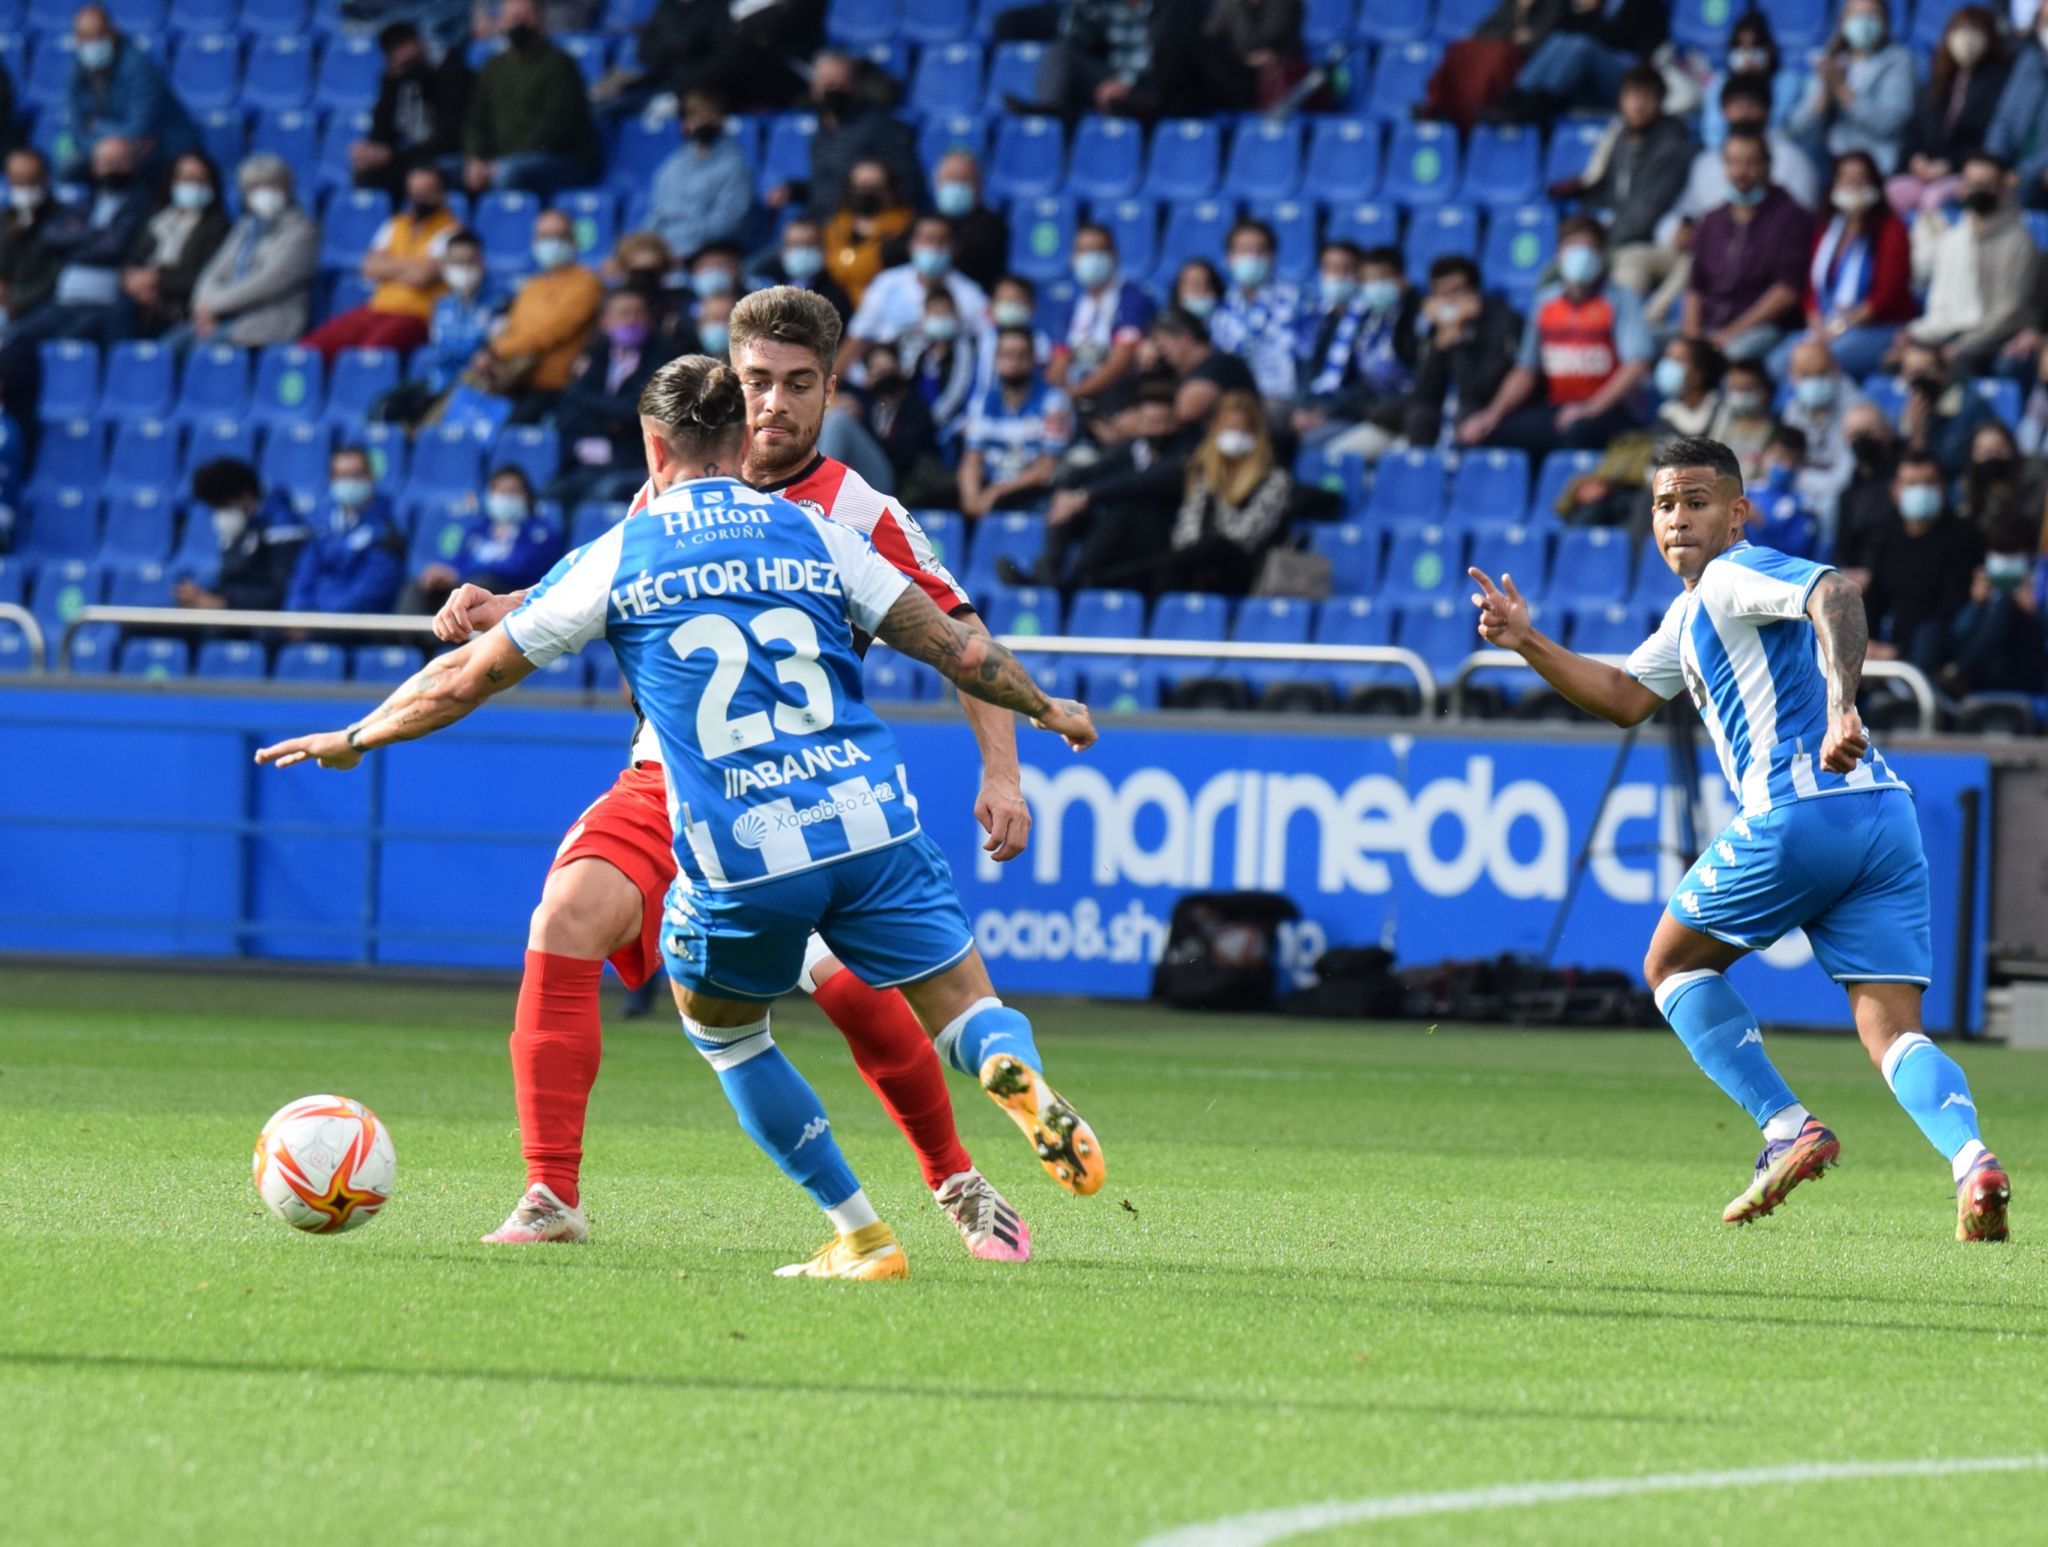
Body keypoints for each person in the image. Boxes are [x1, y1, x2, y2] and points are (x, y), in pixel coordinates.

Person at [258, 350, 1106, 1281]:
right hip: (748, 786)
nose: (775, 399)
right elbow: (958, 649)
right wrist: (1046, 710)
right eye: (759, 380)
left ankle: (939, 1188)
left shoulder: (851, 510)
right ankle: (550, 1193)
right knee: (567, 918)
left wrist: (358, 733)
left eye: (793, 381)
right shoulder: (769, 528)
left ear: (820, 391)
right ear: (741, 416)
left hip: (736, 806)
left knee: (802, 1000)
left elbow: (475, 675)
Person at [1468, 434, 2011, 1244]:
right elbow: (1623, 694)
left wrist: (1841, 702)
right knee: (1894, 1030)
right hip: (1883, 818)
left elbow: (1837, 590)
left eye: (1696, 501)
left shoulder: (1733, 574)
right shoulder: (1693, 614)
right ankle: (1973, 1161)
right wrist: (1528, 641)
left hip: (1802, 811)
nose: (1678, 518)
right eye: (1663, 504)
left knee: (1669, 963)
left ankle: (1785, 1125)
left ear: (1736, 512)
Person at [1615, 77, 1819, 317]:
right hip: (1701, 248)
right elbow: (1680, 212)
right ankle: (1628, 334)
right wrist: (1675, 231)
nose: (1743, 112)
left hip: (1751, 262)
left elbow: (1798, 231)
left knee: (1691, 276)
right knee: (1632, 260)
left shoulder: (1792, 161)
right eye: (1735, 104)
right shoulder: (1707, 162)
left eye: (1751, 104)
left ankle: (1651, 328)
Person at [1459, 217, 1651, 455]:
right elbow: (1525, 370)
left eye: (1588, 249)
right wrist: (1492, 415)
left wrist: (1590, 409)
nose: (1580, 257)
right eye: (1572, 249)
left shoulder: (1621, 299)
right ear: (1559, 255)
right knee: (1492, 435)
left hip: (1612, 411)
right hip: (1559, 407)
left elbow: (1636, 365)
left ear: (1601, 256)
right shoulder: (1545, 302)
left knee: (1577, 432)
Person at [0, 135, 151, 375]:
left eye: (117, 162)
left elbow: (114, 246)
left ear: (132, 164)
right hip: (62, 301)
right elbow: (51, 235)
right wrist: (98, 235)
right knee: (15, 339)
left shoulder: (141, 203)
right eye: (104, 162)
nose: (110, 170)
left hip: (101, 302)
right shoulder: (87, 201)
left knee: (63, 345)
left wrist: (77, 241)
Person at [1348, 252, 1520, 453]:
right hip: (1435, 415)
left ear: (1475, 293)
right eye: (1442, 294)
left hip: (1483, 410)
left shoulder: (1500, 321)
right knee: (1419, 415)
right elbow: (1424, 391)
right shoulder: (1432, 323)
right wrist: (1440, 342)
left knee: (1466, 417)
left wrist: (1457, 342)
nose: (1449, 300)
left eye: (1457, 291)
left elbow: (1477, 388)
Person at [1765, 150, 1914, 383]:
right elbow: (1810, 289)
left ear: (1874, 183)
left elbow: (1887, 296)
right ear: (1835, 184)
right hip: (1824, 327)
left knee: (1819, 359)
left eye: (1861, 179)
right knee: (1776, 362)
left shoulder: (1892, 230)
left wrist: (1837, 329)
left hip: (1874, 327)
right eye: (1846, 179)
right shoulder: (1826, 229)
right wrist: (1816, 322)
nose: (1853, 186)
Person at [301, 165, 460, 360]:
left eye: (428, 190)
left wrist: (389, 265)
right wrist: (411, 265)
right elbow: (369, 267)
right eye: (414, 191)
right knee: (312, 347)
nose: (419, 197)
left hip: (416, 315)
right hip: (376, 309)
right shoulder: (396, 224)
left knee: (370, 353)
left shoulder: (453, 232)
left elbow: (421, 276)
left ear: (442, 194)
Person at [1684, 129, 1814, 363]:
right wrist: (1692, 340)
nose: (1741, 172)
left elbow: (1786, 292)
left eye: (1750, 163)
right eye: (1733, 162)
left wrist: (1728, 335)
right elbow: (1696, 286)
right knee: (1657, 343)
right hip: (1711, 324)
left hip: (1762, 327)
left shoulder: (1792, 218)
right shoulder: (1711, 219)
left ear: (1768, 166)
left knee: (1735, 353)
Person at [1907, 150, 2039, 376]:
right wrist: (1918, 335)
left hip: (1997, 337)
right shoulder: (1953, 238)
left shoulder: (2019, 243)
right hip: (1954, 332)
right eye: (1972, 183)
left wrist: (1960, 346)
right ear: (1961, 187)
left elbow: (2010, 313)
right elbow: (1939, 303)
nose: (1977, 190)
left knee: (1956, 365)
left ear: (2002, 188)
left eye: (1986, 184)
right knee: (1898, 360)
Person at [466, 208, 604, 419]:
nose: (551, 243)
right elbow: (512, 328)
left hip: (555, 387)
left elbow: (549, 332)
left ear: (573, 240)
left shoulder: (587, 283)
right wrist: (488, 353)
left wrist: (496, 351)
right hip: (515, 379)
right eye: (544, 237)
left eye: (559, 236)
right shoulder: (532, 285)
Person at [1548, 64, 1694, 254]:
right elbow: (1608, 191)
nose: (1638, 105)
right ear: (1621, 99)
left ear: (1660, 102)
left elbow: (1645, 216)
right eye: (1632, 95)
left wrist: (1602, 244)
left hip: (1650, 244)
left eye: (1647, 96)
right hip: (1617, 237)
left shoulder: (1671, 147)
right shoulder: (1622, 136)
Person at [1863, 448, 1984, 674]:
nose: (1920, 490)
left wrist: (1898, 651)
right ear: (1895, 491)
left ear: (1943, 487)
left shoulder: (1964, 535)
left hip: (1942, 642)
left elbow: (1952, 608)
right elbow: (1875, 596)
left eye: (1928, 482)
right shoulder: (1887, 536)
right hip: (1894, 641)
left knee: (1929, 634)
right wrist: (1868, 641)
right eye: (1911, 484)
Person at [1291, 243, 1419, 454]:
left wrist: (1324, 412)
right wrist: (1303, 409)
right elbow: (1308, 371)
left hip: (1379, 414)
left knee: (1317, 449)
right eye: (1369, 280)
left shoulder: (1398, 317)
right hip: (1357, 412)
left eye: (1382, 279)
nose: (1338, 277)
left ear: (1401, 279)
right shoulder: (1323, 320)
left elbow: (1365, 383)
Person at [461, 0, 598, 198]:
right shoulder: (493, 67)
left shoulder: (559, 64)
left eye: (525, 17)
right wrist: (475, 159)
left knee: (506, 174)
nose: (519, 24)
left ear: (540, 21)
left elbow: (555, 129)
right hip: (504, 159)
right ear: (501, 23)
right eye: (512, 18)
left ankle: (514, 228)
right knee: (439, 174)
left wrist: (495, 164)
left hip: (561, 159)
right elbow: (476, 120)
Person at [1885, 6, 2009, 218]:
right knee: (1891, 192)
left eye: (1975, 31)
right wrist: (1915, 159)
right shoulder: (1939, 77)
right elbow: (1915, 127)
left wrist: (1950, 165)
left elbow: (1992, 138)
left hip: (1963, 171)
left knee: (1934, 200)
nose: (1966, 39)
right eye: (1959, 30)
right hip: (1925, 168)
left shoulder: (2000, 82)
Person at [1164, 391, 1292, 595]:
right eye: (1230, 428)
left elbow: (1246, 536)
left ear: (1256, 434)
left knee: (1209, 550)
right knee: (1175, 563)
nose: (1236, 436)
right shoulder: (1204, 474)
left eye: (1243, 430)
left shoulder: (1274, 479)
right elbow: (1188, 527)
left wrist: (1202, 552)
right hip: (1197, 562)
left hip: (1245, 565)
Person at [548, 288, 666, 508]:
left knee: (598, 497)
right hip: (585, 458)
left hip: (633, 462)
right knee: (550, 497)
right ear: (606, 321)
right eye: (624, 314)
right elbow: (568, 408)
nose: (632, 320)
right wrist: (607, 421)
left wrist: (590, 403)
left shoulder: (663, 356)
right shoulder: (596, 354)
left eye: (638, 313)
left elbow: (635, 411)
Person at [184, 154, 319, 348]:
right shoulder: (245, 228)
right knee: (168, 347)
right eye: (256, 188)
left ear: (287, 189)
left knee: (200, 353)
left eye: (273, 186)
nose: (265, 194)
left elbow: (267, 283)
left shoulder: (303, 232)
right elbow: (215, 270)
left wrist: (213, 306)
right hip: (224, 316)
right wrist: (201, 304)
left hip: (268, 323)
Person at [372, 228, 494, 428]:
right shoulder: (442, 305)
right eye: (456, 262)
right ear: (445, 266)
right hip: (437, 386)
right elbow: (441, 349)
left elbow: (491, 351)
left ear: (482, 263)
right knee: (387, 407)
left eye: (469, 261)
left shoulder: (497, 304)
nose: (463, 269)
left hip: (474, 389)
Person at [840, 214, 990, 372]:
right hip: (883, 380)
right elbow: (857, 339)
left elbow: (988, 345)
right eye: (927, 240)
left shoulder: (971, 295)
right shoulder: (886, 283)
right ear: (912, 244)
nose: (934, 248)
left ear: (954, 248)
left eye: (942, 241)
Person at [63, 4, 197, 179]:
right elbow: (77, 129)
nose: (93, 44)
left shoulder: (139, 67)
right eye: (86, 38)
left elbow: (138, 130)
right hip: (108, 150)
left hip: (161, 149)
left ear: (113, 32)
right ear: (77, 40)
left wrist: (98, 126)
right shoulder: (77, 71)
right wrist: (101, 152)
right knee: (67, 167)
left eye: (100, 35)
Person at [406, 465, 559, 613]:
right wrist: (442, 572)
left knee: (481, 585)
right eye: (499, 492)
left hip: (508, 595)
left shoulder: (539, 533)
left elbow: (517, 569)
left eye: (512, 492)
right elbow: (458, 560)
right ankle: (409, 638)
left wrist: (459, 575)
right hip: (466, 586)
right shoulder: (479, 529)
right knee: (419, 585)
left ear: (527, 496)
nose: (505, 498)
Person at [788, 50, 923, 217]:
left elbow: (908, 181)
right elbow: (823, 187)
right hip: (822, 221)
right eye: (826, 82)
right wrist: (795, 191)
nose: (832, 88)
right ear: (814, 87)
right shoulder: (821, 132)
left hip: (862, 221)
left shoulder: (875, 124)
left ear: (855, 84)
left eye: (839, 81)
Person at [1790, 0, 1915, 175]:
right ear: (1842, 22)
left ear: (1885, 22)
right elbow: (1798, 128)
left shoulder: (1898, 60)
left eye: (1871, 15)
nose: (1863, 22)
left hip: (1877, 164)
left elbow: (1889, 123)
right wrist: (1824, 94)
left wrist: (1842, 91)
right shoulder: (1831, 58)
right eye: (1856, 15)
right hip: (1829, 160)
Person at [959, 326, 1071, 518]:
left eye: (1022, 355)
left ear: (1032, 360)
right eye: (1007, 355)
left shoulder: (1054, 401)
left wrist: (997, 492)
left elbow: (1047, 467)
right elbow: (971, 460)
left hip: (1030, 490)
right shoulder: (982, 401)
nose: (1014, 362)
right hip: (989, 486)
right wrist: (971, 497)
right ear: (996, 359)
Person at [353, 21, 472, 200]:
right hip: (411, 158)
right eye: (400, 63)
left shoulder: (453, 73)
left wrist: (392, 156)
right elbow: (383, 128)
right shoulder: (394, 78)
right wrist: (372, 150)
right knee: (367, 173)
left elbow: (448, 139)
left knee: (416, 174)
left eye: (410, 61)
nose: (407, 68)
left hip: (447, 156)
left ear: (420, 44)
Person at [283, 447, 405, 616]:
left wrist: (322, 618)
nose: (349, 483)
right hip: (314, 618)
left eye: (356, 475)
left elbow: (372, 589)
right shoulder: (322, 524)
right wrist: (297, 612)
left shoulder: (388, 526)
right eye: (341, 476)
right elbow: (304, 575)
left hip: (357, 621)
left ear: (371, 477)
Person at [175, 457, 308, 613]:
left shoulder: (283, 527)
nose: (220, 513)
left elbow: (281, 591)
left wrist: (224, 602)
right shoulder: (241, 527)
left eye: (224, 505)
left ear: (245, 495)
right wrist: (202, 595)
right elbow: (231, 581)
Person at [120, 152, 230, 340]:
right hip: (141, 300)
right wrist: (132, 282)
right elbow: (132, 260)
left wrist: (156, 280)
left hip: (183, 307)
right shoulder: (157, 221)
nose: (193, 186)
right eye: (186, 179)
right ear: (173, 182)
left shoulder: (218, 227)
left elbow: (206, 274)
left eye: (200, 180)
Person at [1046, 221, 1153, 412]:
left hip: (1116, 398)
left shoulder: (1133, 299)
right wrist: (1056, 396)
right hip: (1074, 395)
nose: (1091, 258)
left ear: (1115, 255)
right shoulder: (1073, 303)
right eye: (1084, 251)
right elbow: (1059, 357)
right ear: (1073, 258)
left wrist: (1075, 394)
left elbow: (1121, 362)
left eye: (1098, 251)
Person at [1500, 0, 1667, 120]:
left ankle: (1543, 102)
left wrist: (1593, 13)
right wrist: (1582, 11)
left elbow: (1612, 41)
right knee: (1559, 39)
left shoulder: (1645, 4)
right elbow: (1567, 31)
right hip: (1589, 79)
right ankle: (1518, 95)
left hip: (1628, 79)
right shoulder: (1601, 6)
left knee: (1581, 47)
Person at [645, 91, 753, 262]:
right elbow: (657, 213)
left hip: (707, 250)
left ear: (720, 120)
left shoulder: (735, 166)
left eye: (708, 116)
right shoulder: (674, 164)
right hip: (666, 250)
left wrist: (679, 247)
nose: (701, 123)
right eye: (695, 117)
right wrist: (647, 245)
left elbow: (726, 224)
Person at [1948, 514, 2048, 696]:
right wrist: (1977, 606)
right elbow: (1959, 633)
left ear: (2030, 555)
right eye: (1999, 553)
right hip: (1986, 671)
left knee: (2007, 603)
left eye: (2012, 553)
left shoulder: (2042, 579)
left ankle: (1959, 672)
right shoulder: (1984, 581)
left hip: (2029, 671)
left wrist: (2036, 611)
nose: (2004, 561)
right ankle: (1962, 673)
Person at [1208, 218, 1306, 402]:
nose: (1252, 257)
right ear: (1229, 258)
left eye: (1260, 251)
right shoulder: (1220, 309)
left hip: (1285, 399)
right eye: (1244, 251)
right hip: (1232, 399)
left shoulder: (1297, 302)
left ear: (1273, 257)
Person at [1779, 335, 1869, 532]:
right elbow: (1785, 466)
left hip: (1840, 497)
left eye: (1821, 373)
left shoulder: (1855, 411)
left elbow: (1843, 479)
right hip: (1808, 491)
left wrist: (1799, 477)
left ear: (1836, 369)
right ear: (1792, 377)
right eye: (1806, 375)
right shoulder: (1793, 410)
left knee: (1830, 507)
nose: (1814, 382)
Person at [1895, 338, 1996, 478]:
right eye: (1912, 373)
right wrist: (1916, 434)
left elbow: (1952, 466)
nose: (1919, 380)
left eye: (1925, 372)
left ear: (1945, 373)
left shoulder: (1969, 406)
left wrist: (1920, 436)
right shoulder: (1905, 411)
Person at [820, 160, 914, 308]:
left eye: (874, 187)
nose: (865, 193)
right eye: (859, 187)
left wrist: (847, 265)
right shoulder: (837, 224)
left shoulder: (905, 225)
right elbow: (831, 267)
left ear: (890, 190)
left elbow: (845, 267)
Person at [1149, 305, 1258, 431]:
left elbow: (1187, 410)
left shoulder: (1222, 363)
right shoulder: (1180, 371)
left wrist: (1148, 418)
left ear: (1185, 338)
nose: (1161, 353)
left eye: (1163, 347)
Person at [1988, 4, 2048, 210]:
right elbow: (2003, 120)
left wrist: (2023, 173)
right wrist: (1992, 163)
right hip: (2009, 168)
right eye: (2043, 20)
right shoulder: (2029, 62)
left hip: (2036, 174)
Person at [0, 150, 66, 334]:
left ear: (45, 178)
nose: (26, 187)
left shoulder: (63, 220)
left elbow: (55, 277)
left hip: (44, 307)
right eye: (18, 181)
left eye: (32, 179)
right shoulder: (5, 219)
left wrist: (15, 301)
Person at [747, 214, 852, 324]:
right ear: (783, 250)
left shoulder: (835, 296)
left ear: (823, 248)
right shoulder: (766, 285)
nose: (801, 251)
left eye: (809, 244)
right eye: (794, 244)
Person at [929, 149, 1008, 295]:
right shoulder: (926, 219)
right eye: (951, 179)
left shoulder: (992, 226)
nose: (956, 187)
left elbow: (967, 257)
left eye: (964, 181)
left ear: (979, 185)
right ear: (936, 182)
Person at [1955, 419, 2044, 538]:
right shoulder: (1968, 487)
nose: (1991, 456)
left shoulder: (2035, 481)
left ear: (2012, 450)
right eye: (1983, 452)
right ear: (1973, 456)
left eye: (1998, 449)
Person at [1747, 424, 1825, 559]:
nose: (1785, 466)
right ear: (1765, 455)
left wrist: (1761, 525)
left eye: (1792, 460)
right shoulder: (1744, 492)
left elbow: (1796, 556)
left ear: (1801, 464)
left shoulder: (1805, 507)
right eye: (1779, 458)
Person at [1169, 256, 1224, 322]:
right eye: (1192, 283)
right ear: (1179, 289)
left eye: (1206, 282)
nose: (1199, 288)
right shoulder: (1165, 327)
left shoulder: (1228, 324)